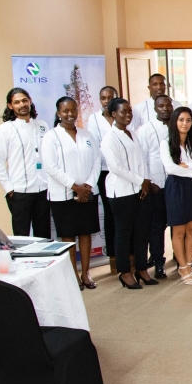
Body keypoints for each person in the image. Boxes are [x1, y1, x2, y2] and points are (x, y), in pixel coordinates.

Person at [42, 97, 100, 290]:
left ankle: (86, 273)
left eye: (73, 110)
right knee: (68, 236)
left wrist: (87, 185)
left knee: (85, 233)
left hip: (87, 193)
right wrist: (75, 187)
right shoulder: (51, 137)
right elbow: (50, 167)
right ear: (58, 113)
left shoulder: (86, 135)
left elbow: (96, 161)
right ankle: (73, 275)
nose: (70, 114)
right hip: (63, 195)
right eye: (65, 111)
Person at [99, 98, 154, 289]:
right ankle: (125, 273)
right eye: (123, 112)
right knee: (123, 234)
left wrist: (145, 183)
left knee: (142, 232)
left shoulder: (132, 133)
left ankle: (142, 269)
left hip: (140, 191)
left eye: (130, 111)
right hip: (121, 192)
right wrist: (141, 181)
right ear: (113, 114)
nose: (128, 115)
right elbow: (116, 167)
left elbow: (141, 161)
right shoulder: (109, 138)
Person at [160, 107, 192, 285]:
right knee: (179, 230)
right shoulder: (166, 143)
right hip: (177, 187)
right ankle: (182, 268)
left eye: (188, 120)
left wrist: (185, 166)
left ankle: (189, 265)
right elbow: (170, 168)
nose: (185, 123)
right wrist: (191, 170)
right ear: (175, 121)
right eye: (181, 120)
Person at [0, 88, 50, 238]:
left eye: (24, 100)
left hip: (43, 189)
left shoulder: (42, 125)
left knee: (43, 236)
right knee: (21, 236)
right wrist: (9, 189)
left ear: (30, 101)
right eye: (17, 102)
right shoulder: (4, 130)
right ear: (10, 106)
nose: (22, 104)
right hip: (19, 192)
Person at [136, 95, 173, 279]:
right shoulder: (146, 129)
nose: (165, 108)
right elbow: (141, 158)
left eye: (168, 105)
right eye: (161, 106)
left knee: (178, 224)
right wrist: (148, 182)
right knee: (157, 226)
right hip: (157, 186)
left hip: (177, 184)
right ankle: (159, 262)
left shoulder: (179, 124)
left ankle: (181, 259)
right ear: (155, 108)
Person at [87, 85, 119, 272]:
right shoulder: (93, 119)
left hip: (123, 172)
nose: (107, 101)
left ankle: (129, 256)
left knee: (125, 214)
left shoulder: (122, 114)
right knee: (110, 214)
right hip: (105, 172)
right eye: (103, 98)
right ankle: (113, 257)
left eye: (110, 97)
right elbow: (95, 147)